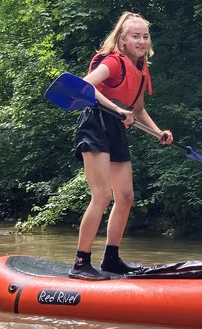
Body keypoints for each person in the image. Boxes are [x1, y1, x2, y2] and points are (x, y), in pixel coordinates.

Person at [69, 12, 174, 280]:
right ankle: (81, 263)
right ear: (123, 39)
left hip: (116, 126)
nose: (141, 41)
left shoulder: (141, 69)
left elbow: (138, 109)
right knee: (102, 195)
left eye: (145, 36)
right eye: (135, 36)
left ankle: (111, 258)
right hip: (95, 123)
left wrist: (157, 131)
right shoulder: (114, 62)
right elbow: (84, 86)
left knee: (125, 197)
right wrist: (117, 108)